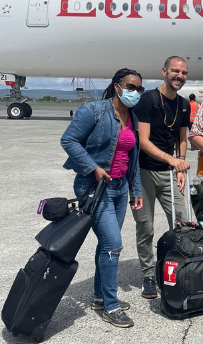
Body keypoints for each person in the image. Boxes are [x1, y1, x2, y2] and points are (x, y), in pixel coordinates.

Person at [60, 68, 144, 328]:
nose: (135, 92)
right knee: (114, 245)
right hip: (94, 188)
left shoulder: (133, 118)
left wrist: (136, 189)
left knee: (106, 246)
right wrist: (93, 168)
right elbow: (69, 140)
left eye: (139, 89)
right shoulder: (93, 110)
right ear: (117, 86)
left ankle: (98, 297)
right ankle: (111, 305)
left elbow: (133, 158)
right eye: (131, 87)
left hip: (119, 190)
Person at [132, 56, 191, 300]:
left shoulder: (184, 105)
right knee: (145, 226)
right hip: (145, 172)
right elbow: (143, 142)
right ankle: (147, 273)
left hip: (170, 173)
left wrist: (180, 167)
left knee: (182, 222)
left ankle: (175, 267)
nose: (180, 76)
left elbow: (183, 139)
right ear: (165, 71)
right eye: (176, 71)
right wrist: (172, 160)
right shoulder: (148, 100)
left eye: (184, 72)